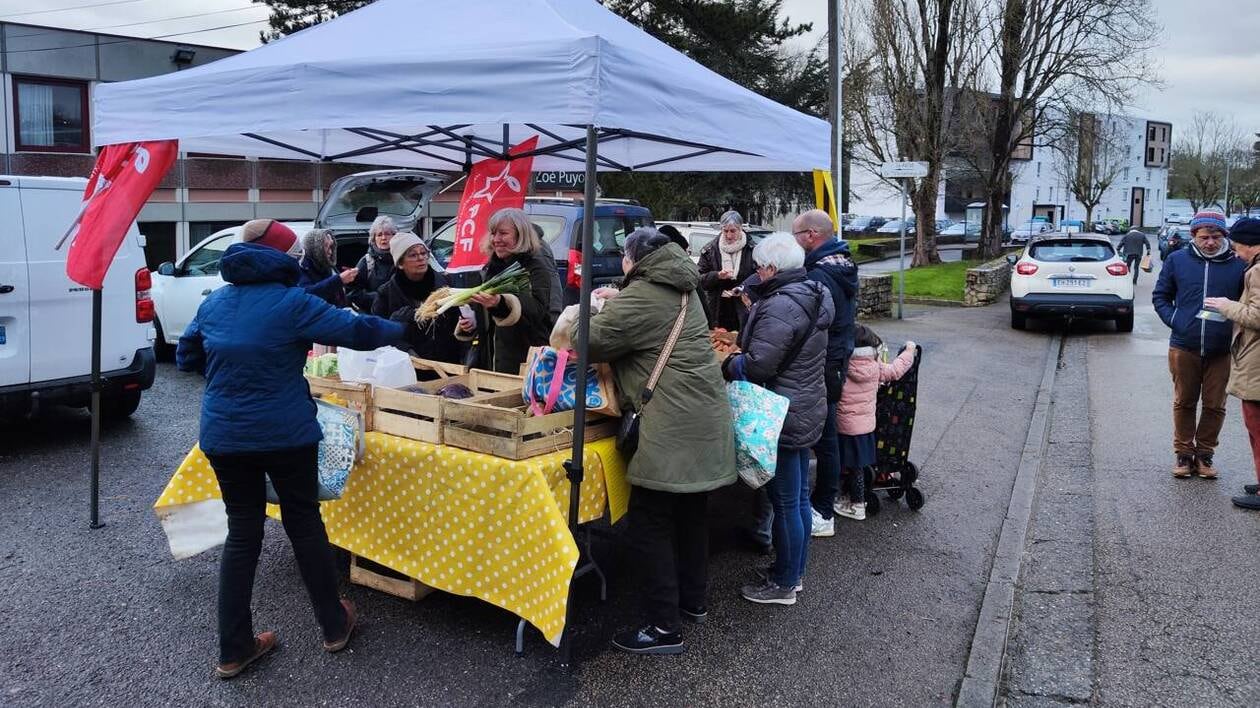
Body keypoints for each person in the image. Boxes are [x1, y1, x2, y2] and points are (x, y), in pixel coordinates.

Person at [175, 218, 405, 679]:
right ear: (282, 258)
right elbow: (358, 332)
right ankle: (333, 625)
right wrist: (406, 327)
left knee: (243, 533)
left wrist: (231, 377)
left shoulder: (214, 301)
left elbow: (186, 356)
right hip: (285, 433)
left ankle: (233, 648)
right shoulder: (292, 301)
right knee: (303, 522)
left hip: (224, 434)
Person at [576, 227, 735, 655]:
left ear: (633, 260)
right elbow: (650, 321)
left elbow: (588, 341)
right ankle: (693, 603)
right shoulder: (684, 287)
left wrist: (586, 311)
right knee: (691, 515)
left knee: (649, 522)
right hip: (703, 419)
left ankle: (664, 628)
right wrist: (619, 301)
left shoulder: (644, 294)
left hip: (670, 425)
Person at [722, 233, 834, 606]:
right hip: (805, 405)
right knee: (798, 498)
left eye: (759, 267)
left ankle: (785, 583)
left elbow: (758, 365)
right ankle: (792, 572)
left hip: (780, 412)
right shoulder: (813, 293)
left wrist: (729, 364)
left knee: (786, 501)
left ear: (772, 267)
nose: (756, 273)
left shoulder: (781, 305)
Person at [1153, 210, 1246, 478]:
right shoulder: (1177, 260)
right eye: (1204, 237)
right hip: (1184, 345)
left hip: (1222, 349)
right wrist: (1176, 320)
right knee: (1184, 401)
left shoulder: (1238, 265)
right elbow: (1161, 296)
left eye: (1216, 237)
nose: (1210, 242)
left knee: (1215, 405)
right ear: (1194, 235)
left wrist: (1236, 330)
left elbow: (1247, 303)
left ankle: (1205, 454)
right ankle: (1183, 454)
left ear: (1224, 236)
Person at [790, 209, 859, 538]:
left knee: (826, 439)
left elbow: (813, 322)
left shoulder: (819, 273)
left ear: (811, 235)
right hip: (836, 358)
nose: (795, 242)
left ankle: (823, 510)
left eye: (796, 235)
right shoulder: (840, 264)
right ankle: (823, 504)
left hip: (825, 362)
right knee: (827, 438)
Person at [457, 208, 561, 373]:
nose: (496, 239)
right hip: (490, 362)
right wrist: (472, 322)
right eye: (493, 233)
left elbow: (537, 310)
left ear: (521, 236)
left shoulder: (535, 268)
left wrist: (502, 304)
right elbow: (485, 314)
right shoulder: (489, 269)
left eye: (503, 233)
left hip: (524, 362)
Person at [1202, 218, 1260, 510]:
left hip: (1257, 361)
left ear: (1251, 244)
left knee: (1256, 426)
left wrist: (1226, 306)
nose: (1236, 253)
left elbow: (1257, 316)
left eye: (1237, 246)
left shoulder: (1258, 270)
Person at [833, 325, 916, 520]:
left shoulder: (842, 366)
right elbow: (896, 371)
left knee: (850, 466)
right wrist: (909, 351)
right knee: (857, 465)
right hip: (866, 426)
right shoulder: (875, 366)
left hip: (844, 425)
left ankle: (857, 505)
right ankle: (850, 497)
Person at [372, 232, 463, 364]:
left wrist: (465, 327)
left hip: (447, 364)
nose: (421, 258)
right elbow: (379, 332)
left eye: (423, 253)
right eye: (413, 255)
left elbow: (458, 322)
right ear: (400, 263)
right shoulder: (386, 293)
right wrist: (406, 350)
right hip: (407, 365)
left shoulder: (444, 284)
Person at [697, 210, 756, 331]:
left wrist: (743, 288)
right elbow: (698, 280)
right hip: (717, 308)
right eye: (725, 231)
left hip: (744, 308)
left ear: (741, 228)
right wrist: (717, 276)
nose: (729, 235)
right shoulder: (709, 250)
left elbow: (760, 277)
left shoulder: (753, 250)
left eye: (733, 231)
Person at [347, 215, 400, 312]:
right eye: (379, 235)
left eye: (387, 234)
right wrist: (378, 297)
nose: (383, 238)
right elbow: (353, 294)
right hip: (375, 315)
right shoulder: (367, 261)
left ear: (395, 236)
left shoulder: (403, 258)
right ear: (373, 238)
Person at [296, 228, 356, 307]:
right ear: (315, 248)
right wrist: (339, 280)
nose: (330, 252)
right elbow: (307, 295)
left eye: (331, 246)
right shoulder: (301, 267)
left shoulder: (326, 265)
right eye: (325, 246)